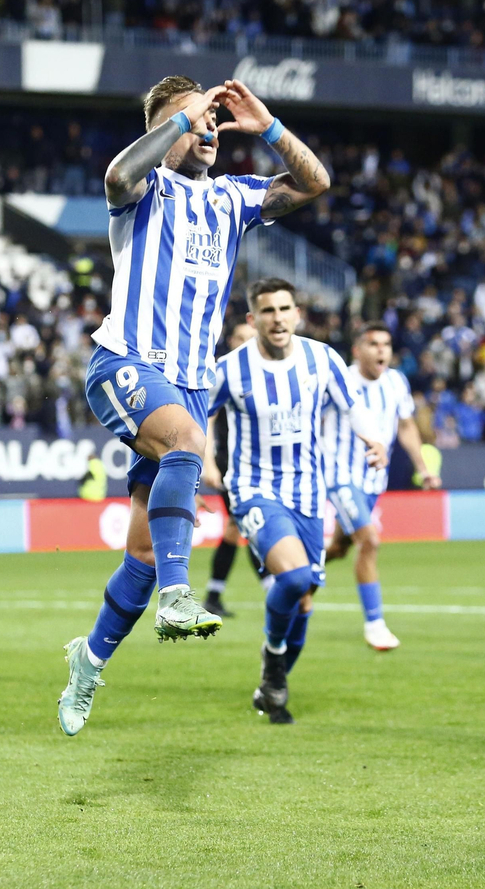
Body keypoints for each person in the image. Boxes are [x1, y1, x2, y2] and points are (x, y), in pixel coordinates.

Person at [57, 75, 330, 736]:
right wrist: (181, 120)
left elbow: (315, 182)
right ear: (164, 128)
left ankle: (86, 667)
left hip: (188, 382)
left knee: (143, 556)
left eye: (212, 119)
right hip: (125, 363)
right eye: (196, 119)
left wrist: (264, 125)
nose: (209, 127)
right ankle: (179, 599)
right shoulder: (144, 190)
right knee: (188, 444)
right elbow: (118, 173)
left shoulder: (234, 198)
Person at [205, 280, 386, 723]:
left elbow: (351, 404)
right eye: (267, 311)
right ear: (253, 320)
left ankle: (272, 683)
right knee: (295, 578)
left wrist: (372, 438)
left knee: (304, 601)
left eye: (285, 308)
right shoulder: (230, 369)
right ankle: (272, 659)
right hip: (253, 488)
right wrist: (204, 462)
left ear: (298, 313)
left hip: (307, 492)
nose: (278, 318)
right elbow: (198, 415)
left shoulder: (321, 358)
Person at [321, 324, 441, 651]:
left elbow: (405, 426)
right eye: (373, 344)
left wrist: (423, 469)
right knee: (370, 540)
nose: (381, 351)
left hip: (374, 480)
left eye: (386, 344)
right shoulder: (337, 379)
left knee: (341, 547)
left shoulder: (396, 381)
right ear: (358, 350)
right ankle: (375, 624)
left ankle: (303, 572)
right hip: (339, 474)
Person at [200, 322, 260, 619]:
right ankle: (275, 586)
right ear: (232, 341)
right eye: (242, 338)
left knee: (238, 528)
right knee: (247, 524)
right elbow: (207, 421)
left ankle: (214, 593)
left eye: (252, 338)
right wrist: (208, 462)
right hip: (230, 464)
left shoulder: (263, 375)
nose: (247, 343)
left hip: (257, 465)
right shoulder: (222, 376)